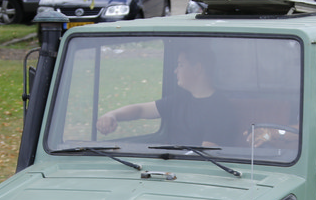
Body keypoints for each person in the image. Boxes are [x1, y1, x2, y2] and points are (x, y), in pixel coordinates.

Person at [96, 44, 237, 146]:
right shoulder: (181, 99)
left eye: (181, 65)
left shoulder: (220, 109)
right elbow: (140, 110)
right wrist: (112, 115)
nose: (176, 71)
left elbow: (207, 155)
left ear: (197, 69)